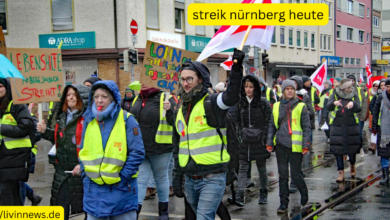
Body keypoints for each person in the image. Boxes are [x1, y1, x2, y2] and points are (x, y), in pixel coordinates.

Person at [171, 49, 244, 219]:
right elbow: (178, 145)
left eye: (190, 79)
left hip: (212, 178)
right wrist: (177, 176)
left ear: (201, 80)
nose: (185, 83)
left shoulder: (211, 102)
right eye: (183, 79)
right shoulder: (180, 110)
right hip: (189, 178)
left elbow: (231, 97)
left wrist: (236, 67)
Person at [79, 80, 145, 220]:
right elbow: (82, 150)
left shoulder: (127, 120)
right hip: (94, 193)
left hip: (121, 192)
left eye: (104, 96)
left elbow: (137, 153)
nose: (99, 100)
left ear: (112, 98)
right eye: (96, 97)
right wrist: (85, 176)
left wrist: (122, 178)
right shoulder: (88, 120)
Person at [37, 84, 90, 219]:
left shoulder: (88, 119)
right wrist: (44, 132)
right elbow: (58, 139)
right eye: (68, 95)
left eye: (73, 95)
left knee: (88, 210)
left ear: (81, 98)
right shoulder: (62, 117)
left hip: (81, 171)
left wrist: (83, 164)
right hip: (62, 170)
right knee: (59, 208)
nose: (70, 98)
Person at [130, 84, 177, 219]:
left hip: (160, 148)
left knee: (161, 178)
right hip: (141, 148)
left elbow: (175, 121)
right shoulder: (137, 98)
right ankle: (135, 212)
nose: (145, 83)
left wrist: (170, 110)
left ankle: (163, 212)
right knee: (140, 180)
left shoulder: (165, 97)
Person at [266, 80, 311, 213]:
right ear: (283, 91)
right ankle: (283, 203)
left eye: (292, 89)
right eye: (287, 89)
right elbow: (271, 126)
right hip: (281, 145)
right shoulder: (276, 106)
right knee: (283, 175)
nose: (290, 91)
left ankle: (304, 192)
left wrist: (306, 145)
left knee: (296, 174)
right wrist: (269, 143)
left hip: (296, 146)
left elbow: (307, 128)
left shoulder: (301, 106)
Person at [233, 75, 272, 206]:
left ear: (255, 88)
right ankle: (239, 195)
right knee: (243, 168)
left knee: (261, 168)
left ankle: (263, 193)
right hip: (244, 140)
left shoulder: (263, 102)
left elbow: (268, 122)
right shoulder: (240, 103)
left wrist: (265, 138)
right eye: (246, 87)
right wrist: (240, 134)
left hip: (259, 141)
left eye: (250, 87)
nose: (248, 90)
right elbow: (236, 121)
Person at [0, 78, 34, 206]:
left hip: (15, 157)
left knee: (5, 191)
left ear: (7, 88)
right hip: (3, 157)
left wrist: (2, 128)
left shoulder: (16, 105)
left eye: (0, 86)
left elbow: (26, 126)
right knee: (13, 192)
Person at [327, 79, 361, 182]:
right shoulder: (335, 94)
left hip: (351, 125)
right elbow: (328, 106)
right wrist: (334, 103)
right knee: (338, 150)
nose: (350, 89)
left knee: (352, 149)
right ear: (343, 88)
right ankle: (341, 173)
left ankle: (352, 165)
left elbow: (359, 108)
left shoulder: (354, 95)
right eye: (348, 88)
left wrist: (353, 105)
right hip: (337, 126)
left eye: (351, 87)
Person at [372, 79, 390, 185]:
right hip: (384, 129)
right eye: (387, 86)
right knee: (384, 152)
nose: (388, 88)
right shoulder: (381, 97)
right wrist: (374, 127)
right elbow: (375, 112)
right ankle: (385, 174)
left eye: (389, 86)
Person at [347, 75, 368, 156]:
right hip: (349, 116)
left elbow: (364, 103)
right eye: (349, 80)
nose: (351, 82)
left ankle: (360, 148)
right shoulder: (344, 90)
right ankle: (350, 152)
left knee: (358, 134)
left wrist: (363, 115)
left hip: (358, 116)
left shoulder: (359, 90)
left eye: (352, 80)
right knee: (349, 135)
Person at [368, 80, 380, 153]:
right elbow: (369, 105)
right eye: (374, 86)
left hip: (382, 116)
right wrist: (373, 112)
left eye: (377, 86)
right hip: (373, 116)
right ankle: (373, 146)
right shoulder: (371, 94)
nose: (375, 87)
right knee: (373, 130)